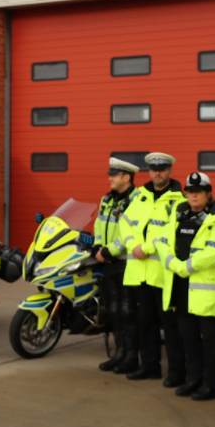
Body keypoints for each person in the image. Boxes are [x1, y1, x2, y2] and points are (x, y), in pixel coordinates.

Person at [157, 172, 215, 401]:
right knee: (188, 338)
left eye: (198, 192)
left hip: (206, 292)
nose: (193, 196)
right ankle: (193, 379)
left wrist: (185, 267)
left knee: (210, 341)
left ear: (208, 194)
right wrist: (170, 261)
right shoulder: (178, 214)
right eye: (190, 192)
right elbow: (162, 241)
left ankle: (212, 386)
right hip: (180, 288)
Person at [123, 152, 187, 386]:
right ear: (149, 171)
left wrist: (147, 247)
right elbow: (125, 223)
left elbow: (172, 231)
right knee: (146, 322)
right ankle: (149, 367)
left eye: (162, 169)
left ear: (169, 171)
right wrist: (133, 246)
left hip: (163, 274)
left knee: (171, 325)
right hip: (140, 272)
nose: (157, 173)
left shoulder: (179, 198)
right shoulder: (139, 196)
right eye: (153, 169)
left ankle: (177, 373)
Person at [93, 157, 139, 374]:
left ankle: (131, 357)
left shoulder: (138, 200)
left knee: (128, 310)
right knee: (113, 310)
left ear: (126, 177)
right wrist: (98, 246)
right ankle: (119, 353)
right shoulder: (107, 199)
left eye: (114, 175)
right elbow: (99, 224)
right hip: (109, 262)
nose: (109, 178)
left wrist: (109, 250)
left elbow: (132, 233)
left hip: (127, 263)